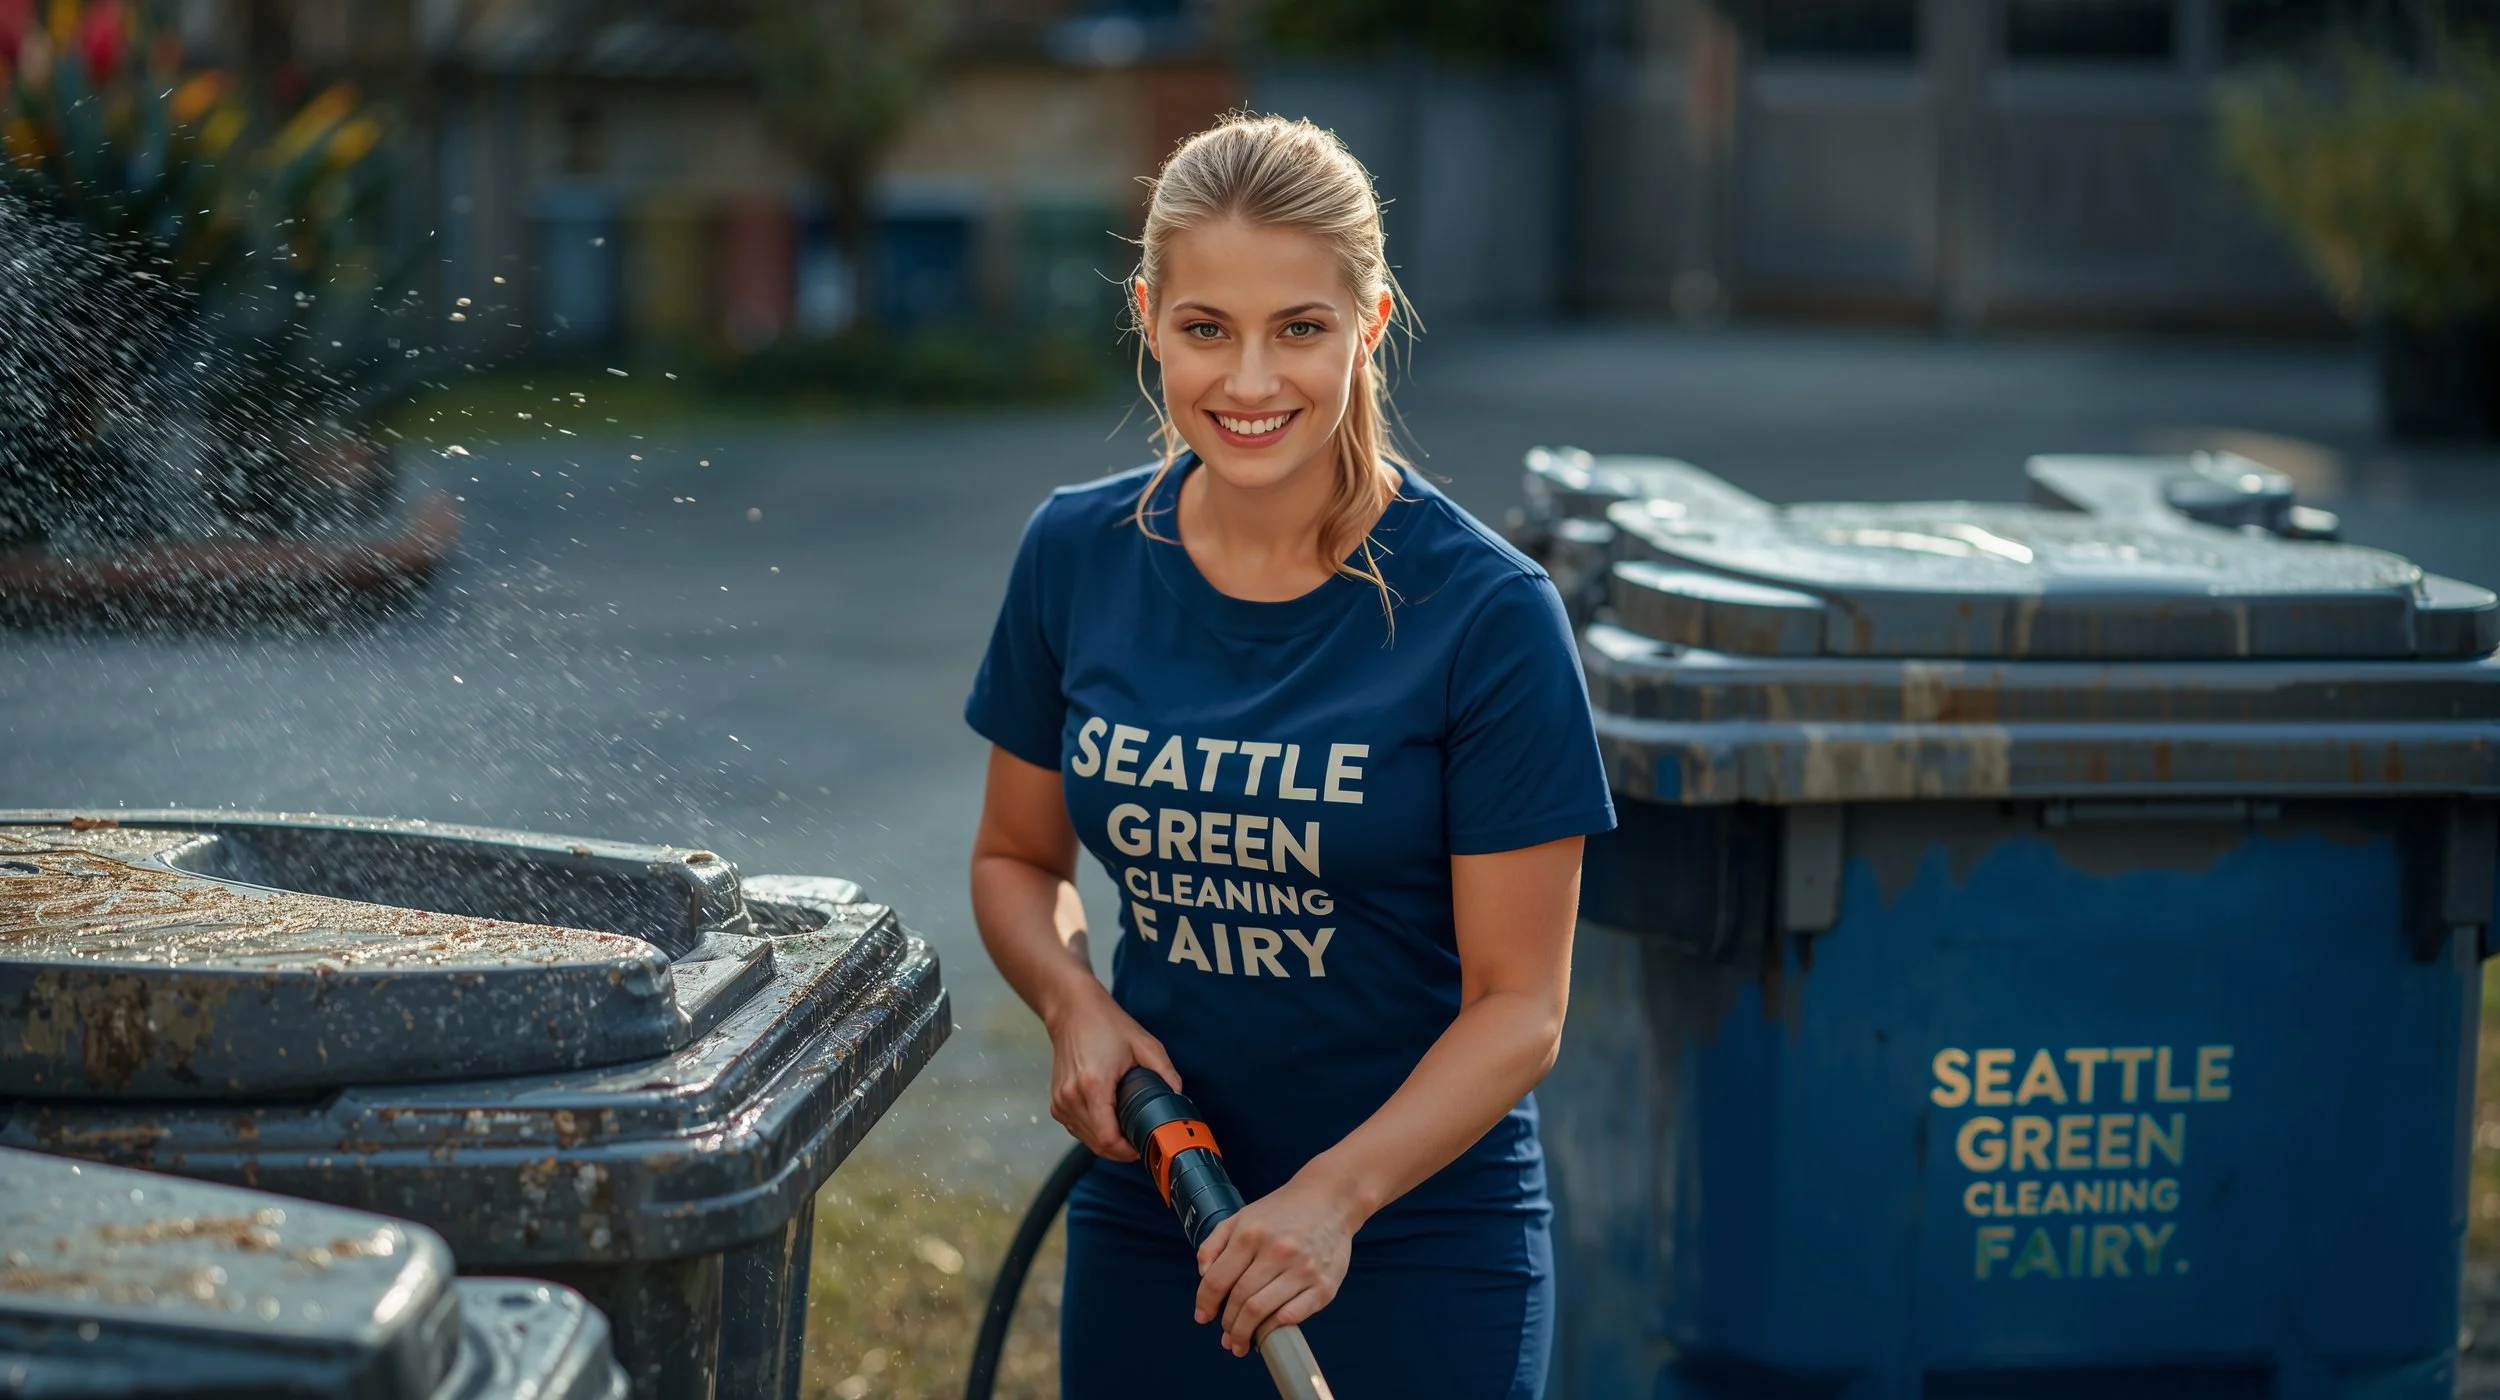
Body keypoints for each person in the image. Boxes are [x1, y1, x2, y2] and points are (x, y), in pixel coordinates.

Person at [963, 114, 1614, 1399]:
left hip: (1416, 1226)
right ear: (1148, 317)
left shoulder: (1484, 614)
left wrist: (1330, 1198)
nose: (1250, 381)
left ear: (1368, 323)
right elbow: (1014, 854)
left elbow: (1520, 1008)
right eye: (1206, 327)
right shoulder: (1077, 555)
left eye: (1299, 329)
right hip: (1165, 1205)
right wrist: (1071, 999)